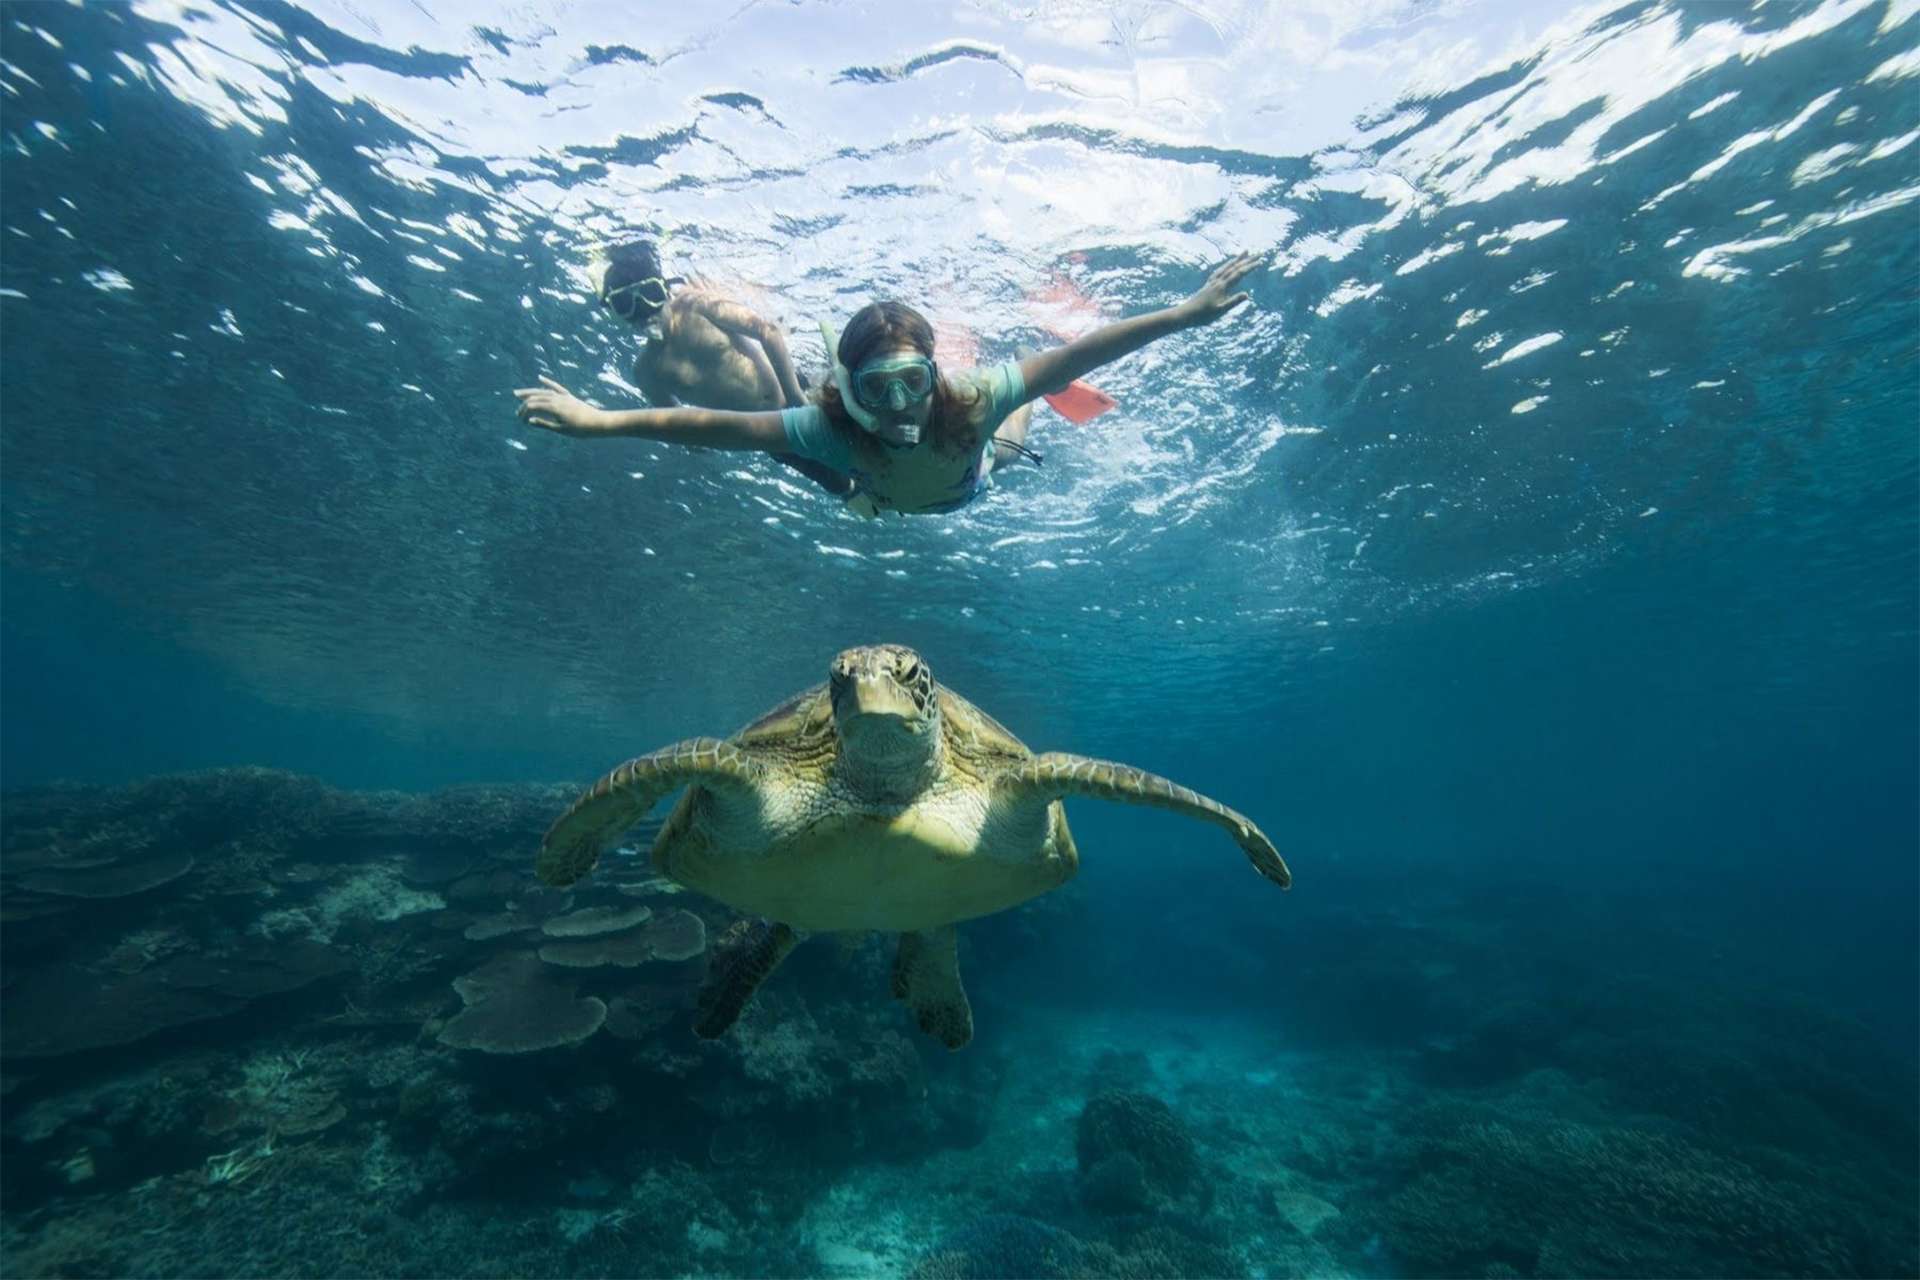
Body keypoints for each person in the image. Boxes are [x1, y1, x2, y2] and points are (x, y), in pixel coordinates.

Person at [517, 253, 1262, 516]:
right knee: (856, 488)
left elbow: (1085, 352)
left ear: (935, 375)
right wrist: (597, 421)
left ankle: (1026, 401)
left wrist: (1185, 314)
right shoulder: (822, 429)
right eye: (879, 390)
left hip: (975, 475)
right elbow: (701, 426)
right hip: (894, 494)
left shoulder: (968, 398)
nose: (901, 405)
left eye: (912, 382)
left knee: (1018, 413)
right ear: (847, 389)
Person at [592, 238, 851, 496]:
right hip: (769, 437)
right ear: (617, 314)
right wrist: (701, 448)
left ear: (664, 289)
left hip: (800, 391)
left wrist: (795, 395)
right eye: (626, 305)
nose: (644, 310)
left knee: (858, 439)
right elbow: (675, 423)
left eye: (650, 294)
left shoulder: (698, 306)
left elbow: (768, 331)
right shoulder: (647, 372)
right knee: (840, 484)